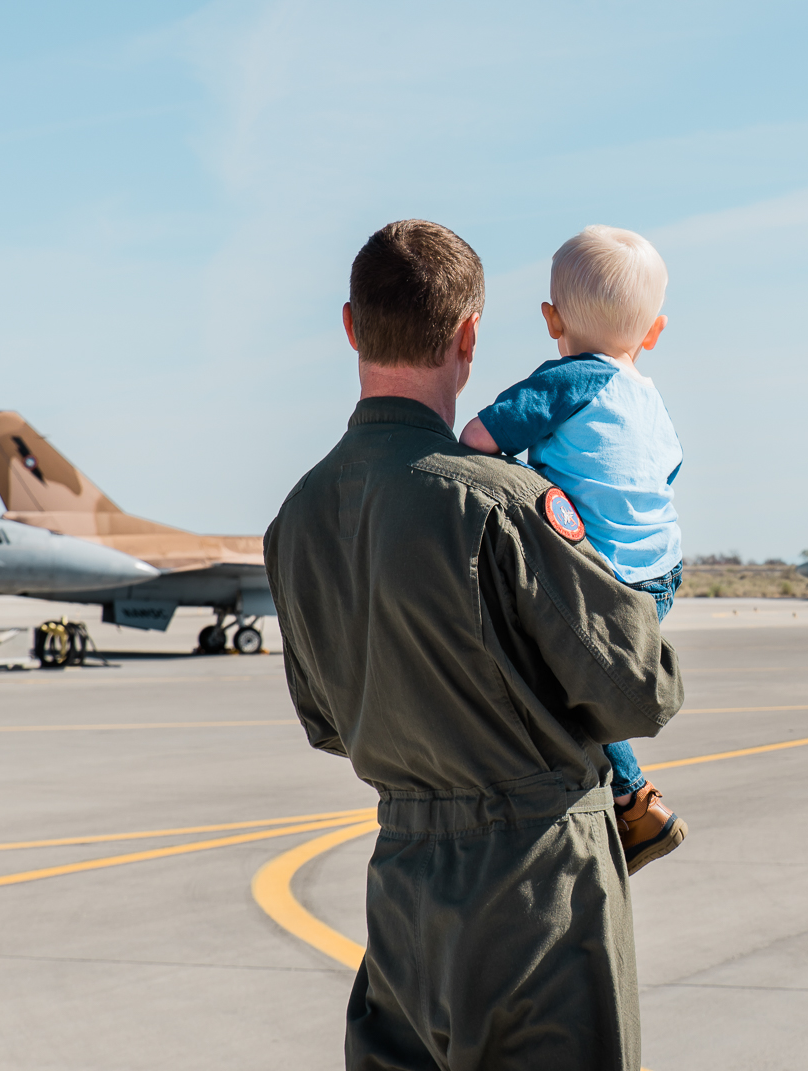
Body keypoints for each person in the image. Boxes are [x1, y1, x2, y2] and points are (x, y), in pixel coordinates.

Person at [265, 219, 682, 1071]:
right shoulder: (504, 505)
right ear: (469, 336)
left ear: (352, 326)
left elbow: (328, 723)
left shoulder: (298, 519)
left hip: (403, 902)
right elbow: (642, 690)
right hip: (539, 896)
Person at [459, 225, 686, 874]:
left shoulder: (567, 381)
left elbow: (478, 439)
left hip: (604, 576)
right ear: (654, 331)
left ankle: (634, 801)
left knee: (559, 676)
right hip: (663, 568)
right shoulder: (648, 397)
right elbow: (668, 473)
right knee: (587, 679)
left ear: (550, 318)